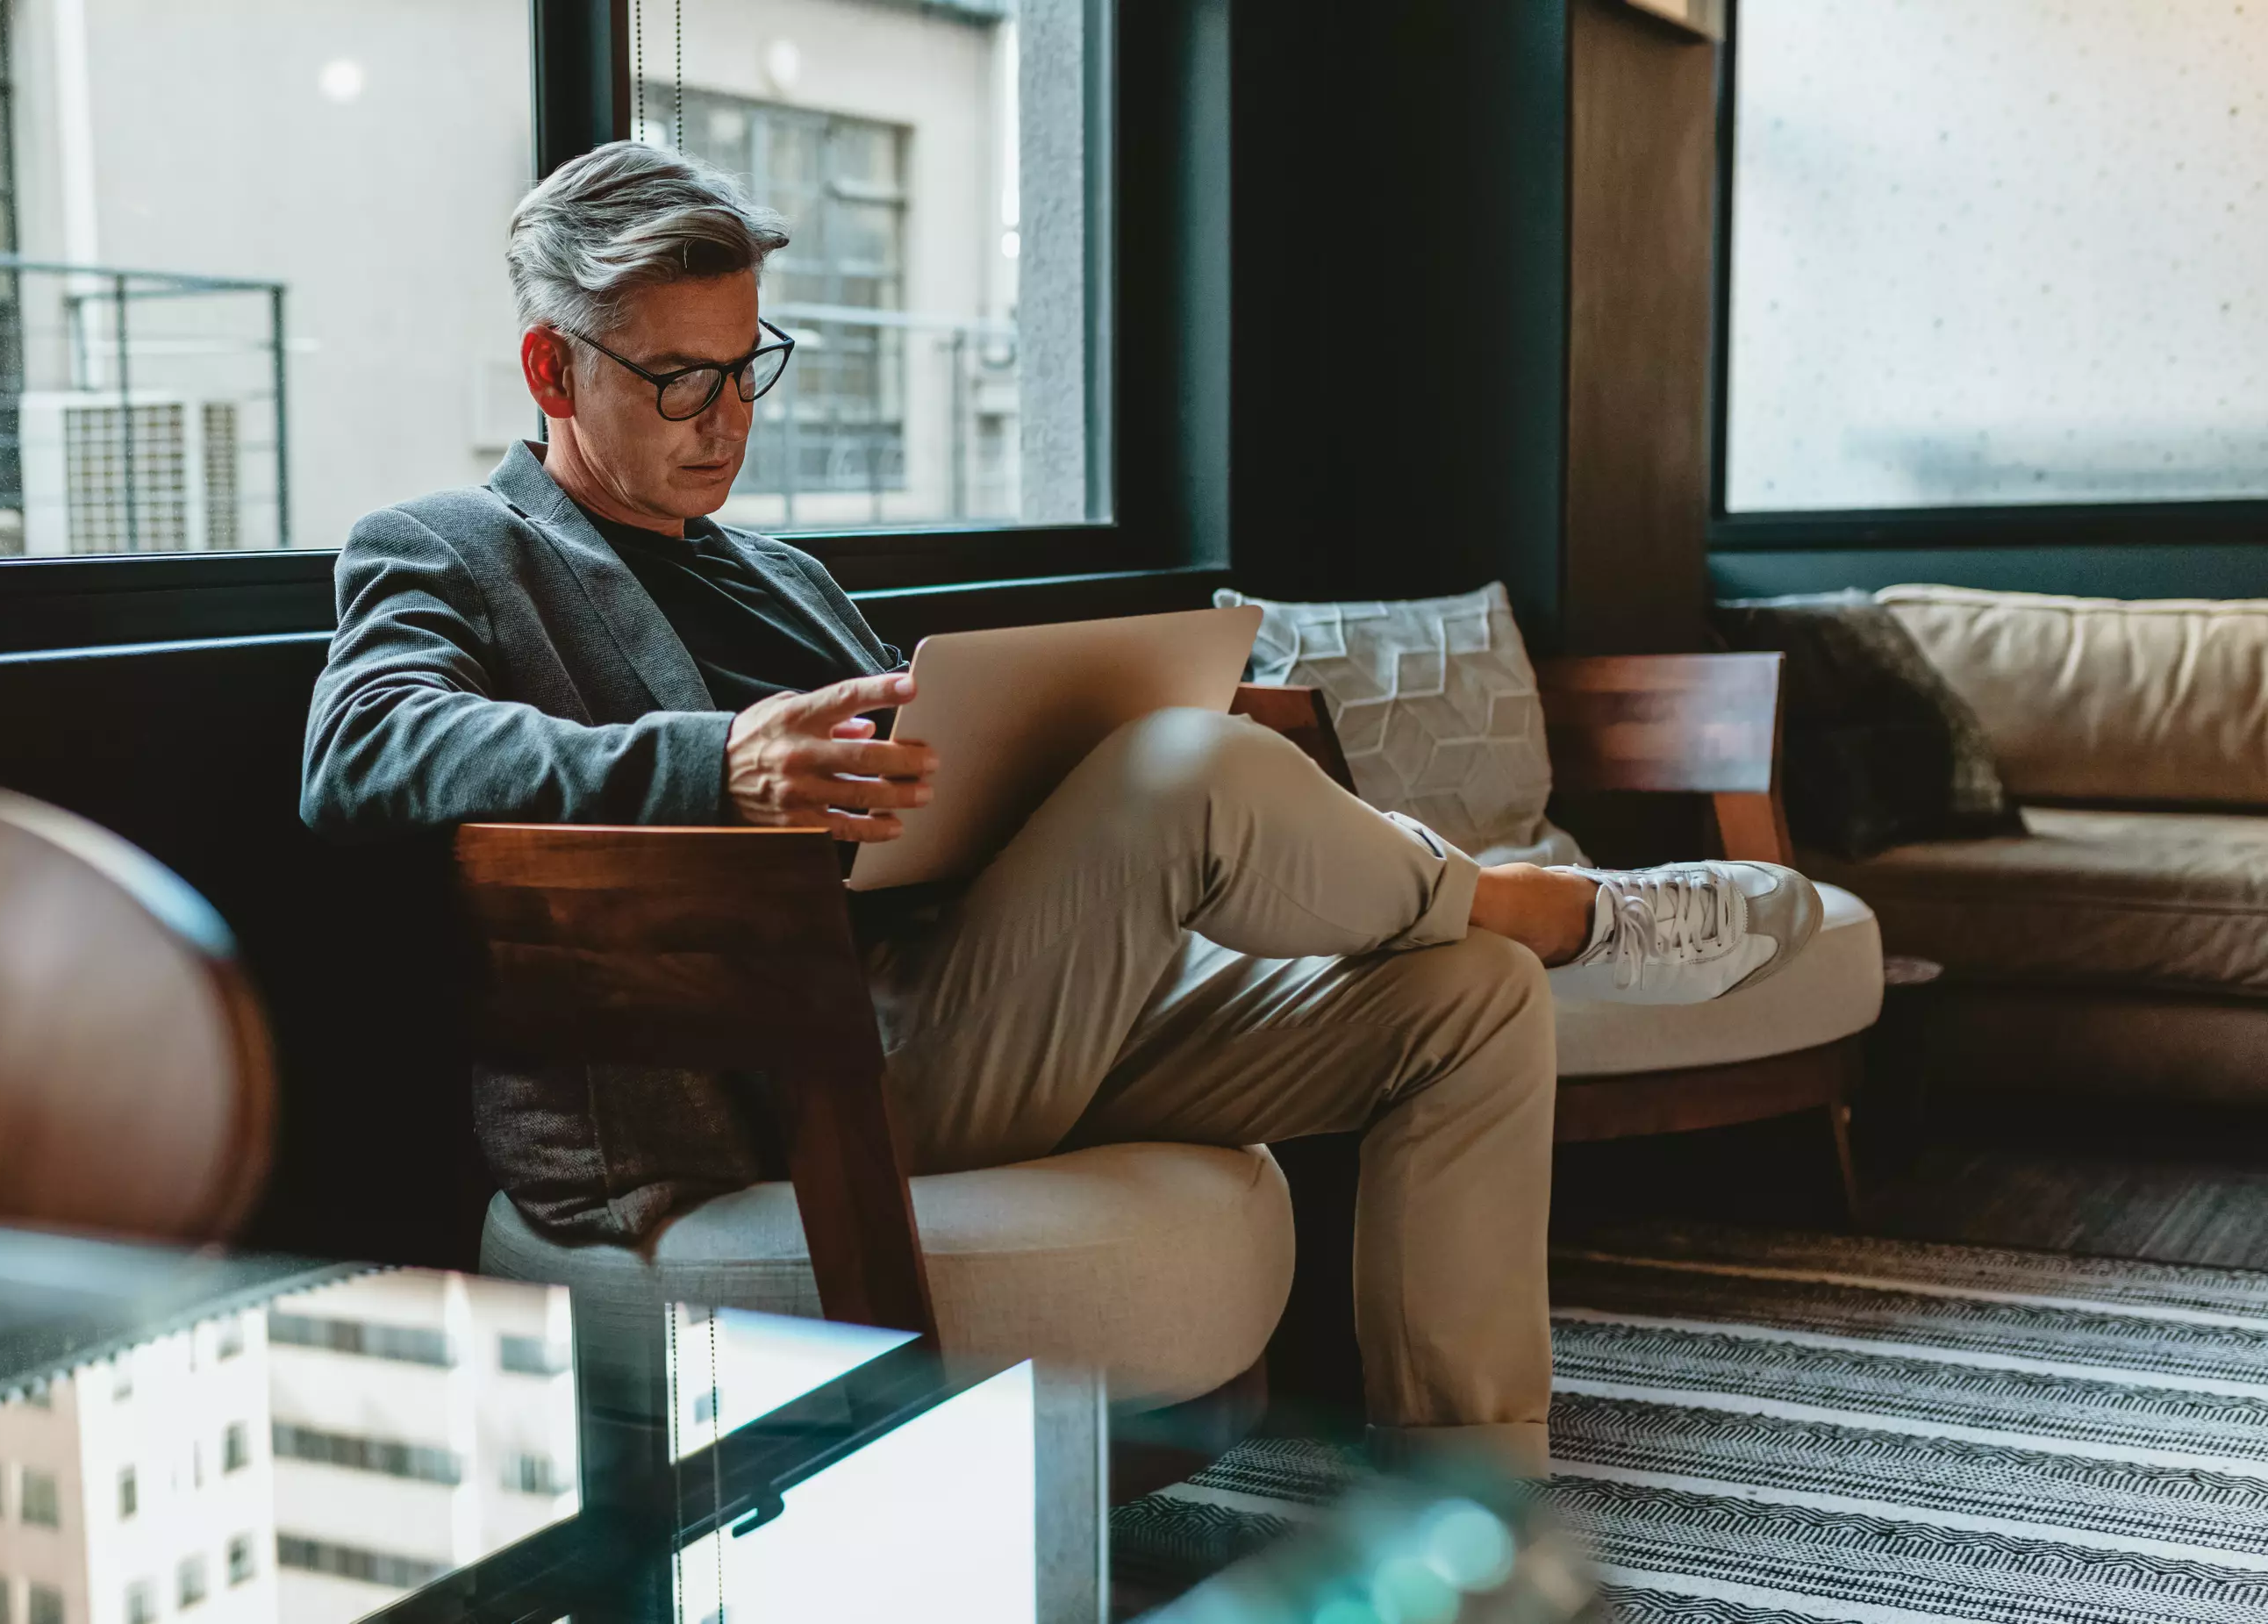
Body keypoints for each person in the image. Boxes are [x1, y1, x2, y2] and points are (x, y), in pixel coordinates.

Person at [298, 141, 1820, 1478]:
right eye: (676, 375)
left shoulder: (778, 573)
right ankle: (1558, 905)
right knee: (1194, 772)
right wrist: (720, 763)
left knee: (1470, 1001)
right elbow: (363, 751)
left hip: (1004, 1001)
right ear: (552, 371)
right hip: (810, 1065)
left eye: (747, 364)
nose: (724, 416)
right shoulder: (451, 548)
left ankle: (1471, 1490)